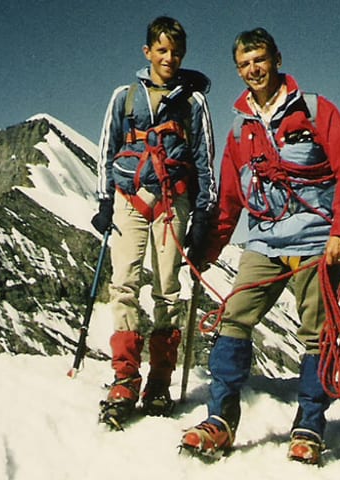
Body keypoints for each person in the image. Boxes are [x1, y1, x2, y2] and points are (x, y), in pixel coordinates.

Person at [179, 27, 340, 464]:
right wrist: (206, 253)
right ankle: (220, 420)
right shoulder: (238, 128)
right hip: (262, 243)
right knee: (233, 318)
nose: (253, 70)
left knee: (316, 336)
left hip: (317, 240)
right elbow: (229, 200)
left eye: (259, 60)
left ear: (277, 59)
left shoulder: (316, 110)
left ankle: (309, 427)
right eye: (244, 64)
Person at [91, 16, 217, 424]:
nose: (169, 57)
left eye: (175, 52)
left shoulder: (193, 102)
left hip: (173, 201)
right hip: (129, 197)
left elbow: (203, 158)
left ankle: (159, 382)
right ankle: (125, 377)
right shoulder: (123, 97)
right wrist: (103, 200)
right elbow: (107, 147)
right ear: (147, 52)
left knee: (167, 290)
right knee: (123, 284)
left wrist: (203, 213)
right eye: (161, 50)